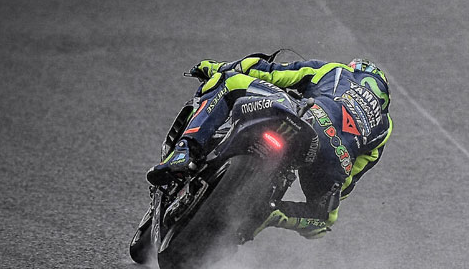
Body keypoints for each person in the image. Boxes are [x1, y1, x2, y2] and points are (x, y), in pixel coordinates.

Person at [146, 53, 392, 239]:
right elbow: (352, 177)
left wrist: (213, 68)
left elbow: (272, 73)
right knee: (322, 219)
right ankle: (272, 213)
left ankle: (184, 151)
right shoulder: (385, 126)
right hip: (333, 160)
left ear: (357, 71)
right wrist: (331, 188)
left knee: (229, 82)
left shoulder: (337, 71)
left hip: (307, 120)